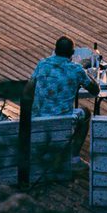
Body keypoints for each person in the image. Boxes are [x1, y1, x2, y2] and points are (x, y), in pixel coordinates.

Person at [31, 37, 96, 168]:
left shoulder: (42, 64)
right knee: (86, 113)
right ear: (72, 54)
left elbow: (29, 87)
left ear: (55, 50)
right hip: (62, 120)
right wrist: (85, 72)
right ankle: (74, 157)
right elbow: (95, 90)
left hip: (37, 119)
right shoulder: (76, 69)